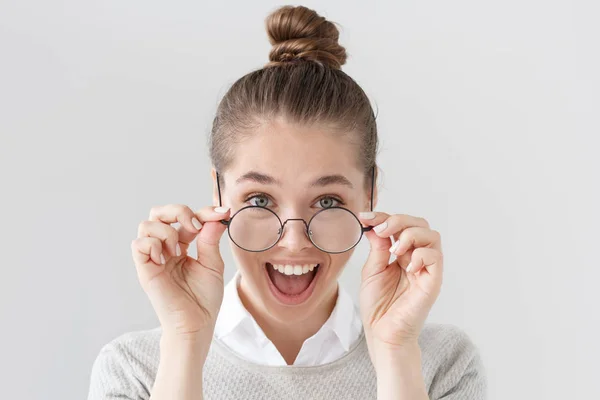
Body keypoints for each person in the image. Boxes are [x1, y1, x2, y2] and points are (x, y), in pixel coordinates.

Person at [88, 5, 486, 400]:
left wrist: (396, 353)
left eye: (327, 201)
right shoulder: (134, 370)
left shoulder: (440, 363)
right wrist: (184, 342)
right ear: (219, 194)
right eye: (260, 199)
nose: (294, 241)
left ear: (370, 193)